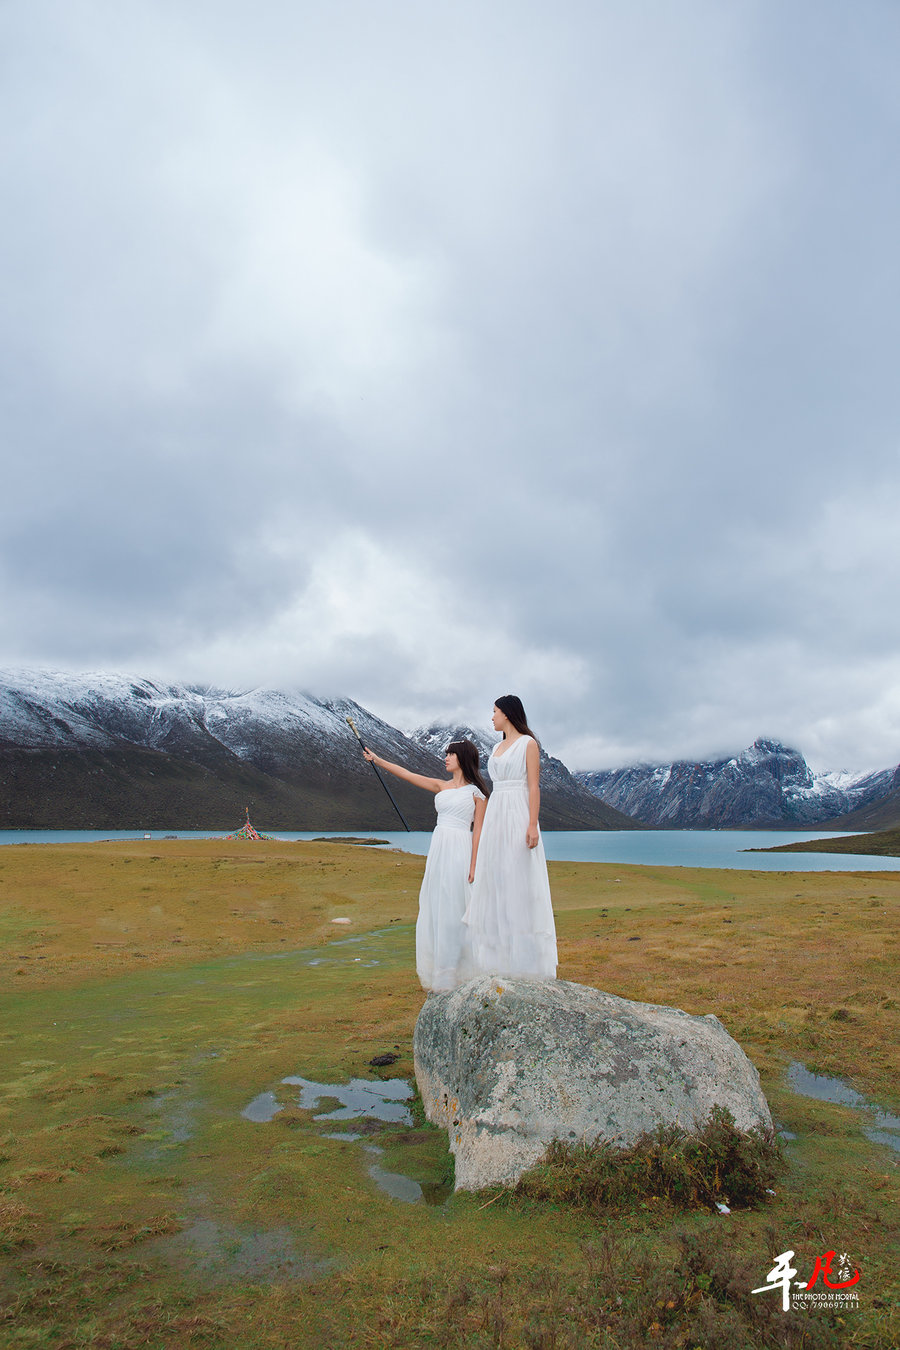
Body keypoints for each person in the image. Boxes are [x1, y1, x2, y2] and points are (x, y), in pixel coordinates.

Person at [362, 740, 487, 992]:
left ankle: (465, 969)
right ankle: (443, 973)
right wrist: (377, 759)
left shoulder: (477, 793)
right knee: (437, 904)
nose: (446, 757)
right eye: (447, 754)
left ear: (463, 758)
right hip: (439, 848)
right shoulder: (441, 786)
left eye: (451, 754)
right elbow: (408, 775)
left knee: (457, 905)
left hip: (460, 848)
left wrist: (474, 865)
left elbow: (479, 832)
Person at [463, 695, 558, 980]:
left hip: (518, 812)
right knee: (496, 879)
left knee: (519, 879)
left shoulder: (528, 744)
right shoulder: (495, 747)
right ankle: (498, 958)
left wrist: (532, 825)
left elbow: (534, 787)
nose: (491, 717)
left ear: (507, 713)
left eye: (494, 712)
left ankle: (525, 961)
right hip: (497, 814)